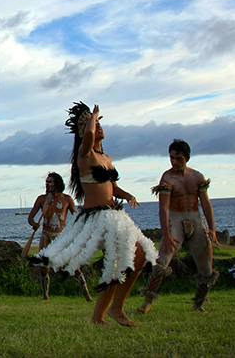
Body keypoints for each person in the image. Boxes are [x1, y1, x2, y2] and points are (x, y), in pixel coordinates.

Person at [32, 103, 157, 326]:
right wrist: (93, 116)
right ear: (82, 131)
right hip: (97, 219)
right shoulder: (85, 153)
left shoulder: (106, 158)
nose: (96, 125)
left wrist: (127, 195)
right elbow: (88, 134)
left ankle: (103, 314)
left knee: (138, 258)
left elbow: (112, 187)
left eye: (98, 122)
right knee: (122, 260)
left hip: (114, 214)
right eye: (90, 123)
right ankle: (112, 311)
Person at [138, 139, 219, 313]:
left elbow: (206, 204)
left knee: (206, 268)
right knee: (162, 262)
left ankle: (198, 304)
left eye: (178, 158)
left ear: (187, 158)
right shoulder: (167, 177)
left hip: (195, 219)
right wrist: (166, 234)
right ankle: (147, 302)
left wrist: (212, 228)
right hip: (176, 219)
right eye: (171, 158)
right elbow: (164, 208)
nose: (174, 162)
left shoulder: (197, 177)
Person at [27, 172, 93, 301]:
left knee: (73, 266)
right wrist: (34, 224)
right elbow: (30, 217)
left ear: (57, 183)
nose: (48, 184)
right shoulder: (41, 199)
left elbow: (76, 216)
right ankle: (45, 296)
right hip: (46, 235)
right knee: (43, 267)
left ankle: (87, 296)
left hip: (61, 236)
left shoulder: (67, 199)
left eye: (50, 182)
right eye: (47, 182)